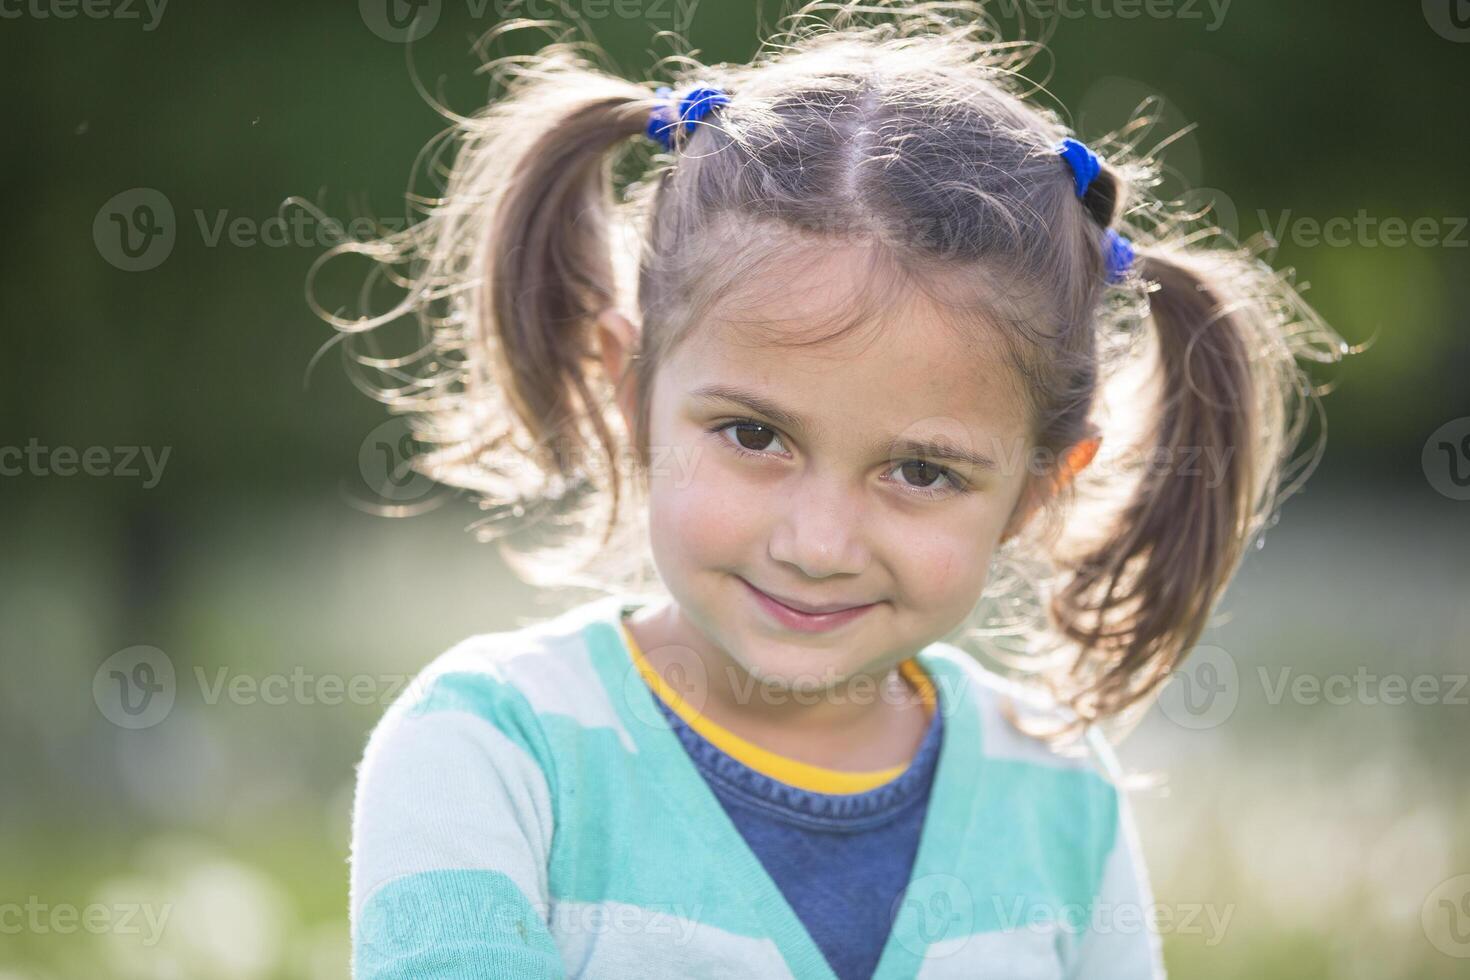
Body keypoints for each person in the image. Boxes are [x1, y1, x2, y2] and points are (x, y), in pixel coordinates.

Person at [330, 3, 1347, 976]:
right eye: (754, 434)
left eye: (921, 470)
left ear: (1037, 492)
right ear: (633, 389)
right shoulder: (493, 750)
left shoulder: (1060, 802)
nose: (819, 541)